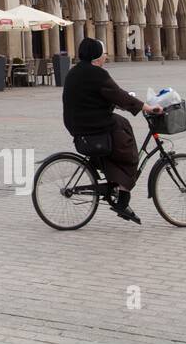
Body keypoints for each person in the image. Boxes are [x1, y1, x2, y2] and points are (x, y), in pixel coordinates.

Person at [62, 37, 161, 224]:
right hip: (92, 126)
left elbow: (102, 96)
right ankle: (122, 197)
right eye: (103, 52)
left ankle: (114, 184)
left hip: (79, 124)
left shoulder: (75, 72)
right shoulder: (96, 74)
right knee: (128, 150)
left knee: (120, 125)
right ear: (97, 56)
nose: (106, 56)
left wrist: (122, 103)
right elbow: (118, 94)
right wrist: (146, 107)